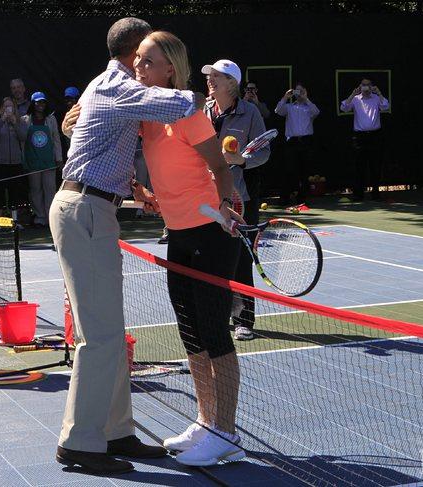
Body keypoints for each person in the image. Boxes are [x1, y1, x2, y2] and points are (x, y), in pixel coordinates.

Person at [50, 17, 201, 475]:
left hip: (93, 207)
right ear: (136, 52)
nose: (151, 62)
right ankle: (78, 442)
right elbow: (181, 104)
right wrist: (201, 87)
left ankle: (115, 432)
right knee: (99, 338)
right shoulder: (121, 84)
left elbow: (98, 145)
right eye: (150, 54)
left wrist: (132, 185)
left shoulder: (109, 85)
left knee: (110, 334)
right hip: (87, 212)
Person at [136, 30, 245, 466]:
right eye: (138, 61)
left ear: (170, 69)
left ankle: (228, 434)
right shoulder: (147, 115)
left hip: (210, 235)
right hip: (178, 234)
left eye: (147, 62)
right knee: (191, 334)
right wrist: (151, 196)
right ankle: (205, 420)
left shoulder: (187, 112)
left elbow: (218, 165)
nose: (138, 68)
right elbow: (173, 174)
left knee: (215, 335)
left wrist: (223, 201)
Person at [203, 59, 270, 342]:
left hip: (238, 198)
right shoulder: (203, 111)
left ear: (231, 82)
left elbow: (263, 153)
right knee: (210, 257)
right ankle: (217, 314)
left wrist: (241, 160)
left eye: (217, 76)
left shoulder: (250, 112)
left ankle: (244, 320)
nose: (210, 80)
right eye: (209, 76)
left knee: (241, 259)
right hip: (205, 195)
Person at [340, 78, 390, 201]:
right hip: (360, 137)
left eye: (368, 85)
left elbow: (385, 106)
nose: (366, 88)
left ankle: (376, 193)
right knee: (359, 166)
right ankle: (358, 194)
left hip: (375, 136)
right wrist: (353, 94)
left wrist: (379, 93)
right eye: (363, 85)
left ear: (372, 86)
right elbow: (344, 107)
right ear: (360, 87)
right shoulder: (356, 99)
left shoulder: (376, 98)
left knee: (376, 165)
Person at [21, 92, 62, 226]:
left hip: (48, 161)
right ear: (33, 104)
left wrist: (59, 158)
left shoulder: (51, 119)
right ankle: (40, 217)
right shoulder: (25, 120)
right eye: (38, 102)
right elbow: (22, 140)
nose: (40, 105)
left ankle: (51, 217)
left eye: (43, 102)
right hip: (32, 161)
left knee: (50, 188)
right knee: (35, 190)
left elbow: (56, 140)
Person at [275, 83, 320, 203]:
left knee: (305, 170)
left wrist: (306, 99)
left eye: (301, 91)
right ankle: (285, 197)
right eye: (297, 91)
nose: (299, 93)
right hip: (292, 141)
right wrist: (285, 97)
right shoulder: (289, 107)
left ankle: (303, 197)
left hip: (306, 141)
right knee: (289, 169)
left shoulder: (308, 107)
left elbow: (316, 112)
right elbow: (278, 110)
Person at [0, 97, 28, 217]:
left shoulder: (20, 121)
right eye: (6, 107)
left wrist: (15, 123)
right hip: (0, 163)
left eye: (10, 106)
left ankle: (14, 221)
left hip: (16, 163)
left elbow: (23, 137)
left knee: (15, 193)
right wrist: (2, 120)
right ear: (2, 108)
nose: (8, 109)